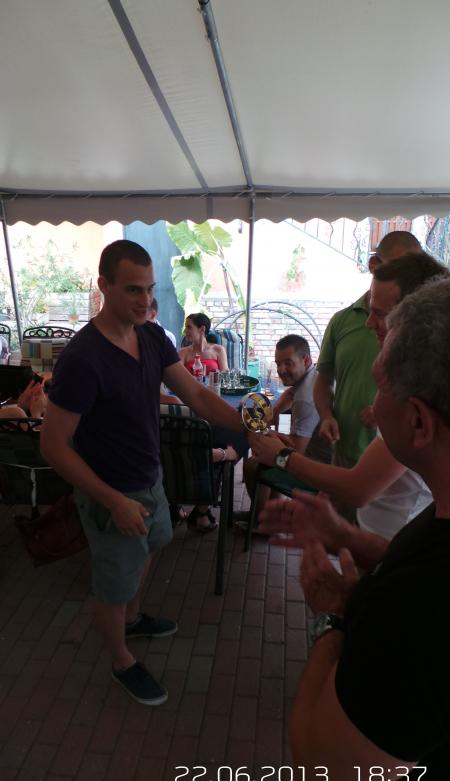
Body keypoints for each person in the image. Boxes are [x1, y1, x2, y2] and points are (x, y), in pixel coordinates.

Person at [258, 275, 450, 781]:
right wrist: (346, 535)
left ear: (418, 421)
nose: (370, 404)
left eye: (380, 386)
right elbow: (419, 558)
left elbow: (321, 773)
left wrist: (332, 615)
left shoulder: (414, 613)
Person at [40, 239, 244, 707]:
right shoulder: (82, 358)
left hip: (149, 479)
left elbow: (197, 395)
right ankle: (121, 660)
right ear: (104, 286)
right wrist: (113, 501)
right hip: (110, 493)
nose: (146, 300)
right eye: (133, 289)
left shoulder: (150, 336)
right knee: (112, 585)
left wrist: (249, 422)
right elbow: (53, 446)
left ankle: (132, 621)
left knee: (152, 544)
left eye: (150, 289)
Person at [249, 252, 446, 539]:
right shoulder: (409, 382)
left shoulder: (420, 392)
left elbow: (360, 488)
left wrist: (282, 457)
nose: (369, 323)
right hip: (374, 524)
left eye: (380, 314)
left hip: (395, 541)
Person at [313, 232, 422, 486]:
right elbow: (323, 380)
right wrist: (326, 415)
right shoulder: (341, 321)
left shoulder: (424, 328)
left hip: (399, 467)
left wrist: (390, 412)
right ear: (374, 265)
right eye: (398, 270)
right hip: (345, 451)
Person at [243, 334, 320, 519]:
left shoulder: (305, 399)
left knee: (252, 465)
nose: (281, 370)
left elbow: (294, 453)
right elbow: (290, 394)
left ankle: (261, 521)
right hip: (322, 455)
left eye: (288, 363)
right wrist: (271, 416)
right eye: (278, 364)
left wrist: (265, 434)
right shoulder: (313, 374)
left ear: (305, 360)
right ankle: (272, 514)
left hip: (319, 467)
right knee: (266, 451)